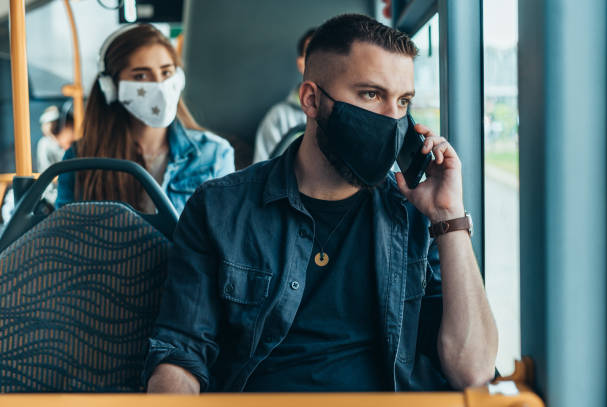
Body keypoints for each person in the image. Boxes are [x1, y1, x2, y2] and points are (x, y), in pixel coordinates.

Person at [144, 14, 498, 393]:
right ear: (312, 99)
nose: (392, 119)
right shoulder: (219, 209)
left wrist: (449, 217)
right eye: (371, 94)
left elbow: (472, 371)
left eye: (403, 102)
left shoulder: (417, 217)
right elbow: (181, 353)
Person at [56, 24, 234, 215]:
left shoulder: (214, 154)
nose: (159, 85)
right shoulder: (81, 158)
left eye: (166, 72)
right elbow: (66, 235)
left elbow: (223, 236)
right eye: (141, 75)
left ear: (178, 78)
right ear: (111, 87)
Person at [252, 28, 316, 163]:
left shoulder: (349, 114)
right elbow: (263, 174)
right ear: (301, 64)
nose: (321, 64)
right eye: (312, 56)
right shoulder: (278, 118)